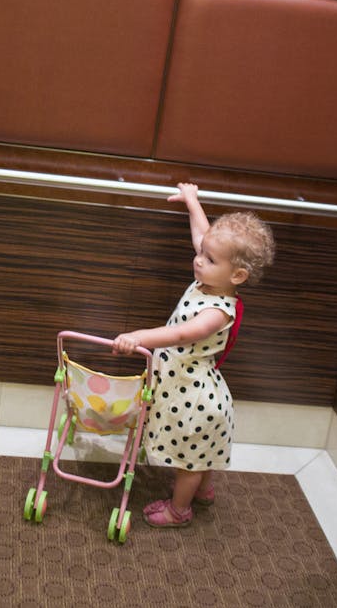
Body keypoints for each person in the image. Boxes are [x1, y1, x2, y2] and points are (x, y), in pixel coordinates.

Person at [113, 183, 275, 527]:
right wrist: (192, 202)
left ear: (238, 276)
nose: (198, 259)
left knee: (187, 459)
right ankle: (202, 490)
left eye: (209, 258)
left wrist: (138, 336)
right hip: (185, 388)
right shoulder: (209, 279)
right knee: (198, 454)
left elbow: (181, 334)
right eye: (201, 253)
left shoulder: (219, 310)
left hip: (194, 397)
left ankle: (179, 509)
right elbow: (202, 235)